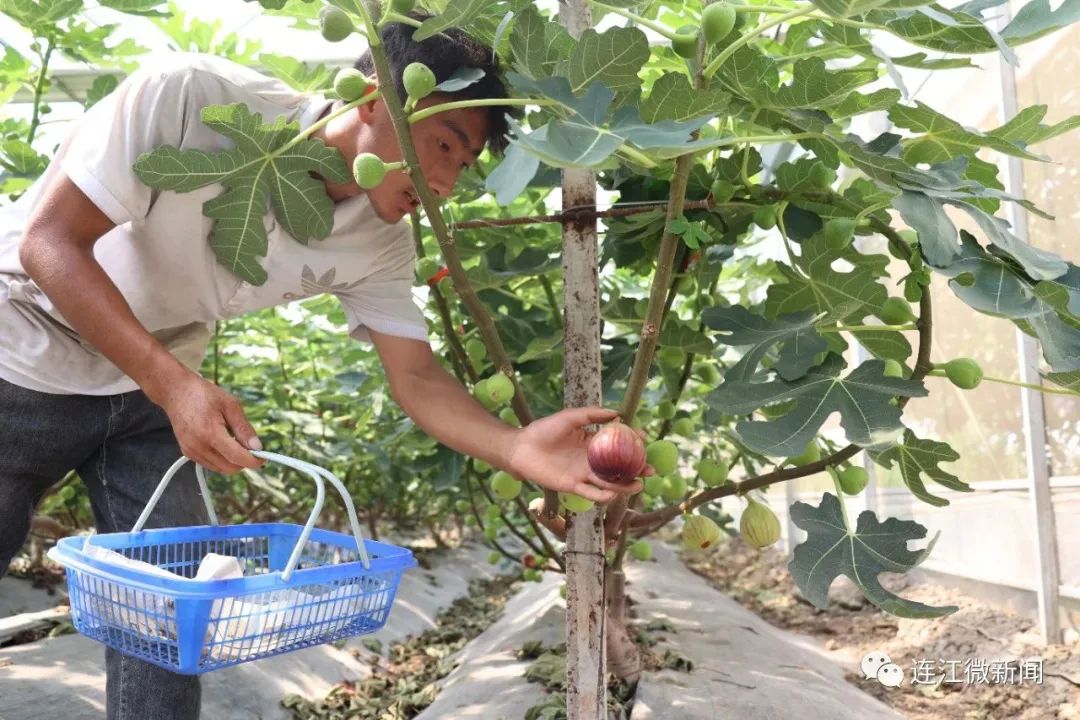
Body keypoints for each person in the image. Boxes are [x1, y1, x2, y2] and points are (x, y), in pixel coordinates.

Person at [0, 14, 643, 720]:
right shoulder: (188, 95)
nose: (445, 182)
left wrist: (516, 447)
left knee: (172, 617)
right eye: (442, 146)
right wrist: (173, 384)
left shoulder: (382, 239)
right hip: (25, 354)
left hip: (156, 379)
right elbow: (50, 244)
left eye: (463, 165)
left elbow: (417, 376)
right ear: (375, 101)